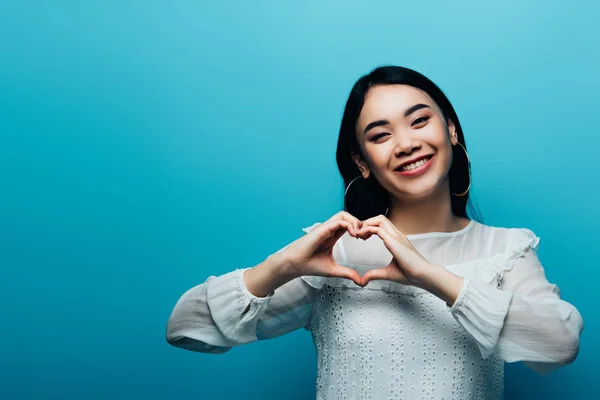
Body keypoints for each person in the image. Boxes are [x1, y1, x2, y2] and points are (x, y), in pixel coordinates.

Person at [165, 65, 584, 399]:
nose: (405, 144)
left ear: (451, 130)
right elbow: (185, 328)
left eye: (419, 121)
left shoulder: (507, 249)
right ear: (362, 161)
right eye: (380, 135)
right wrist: (280, 267)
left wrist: (431, 277)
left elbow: (559, 346)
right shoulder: (335, 257)